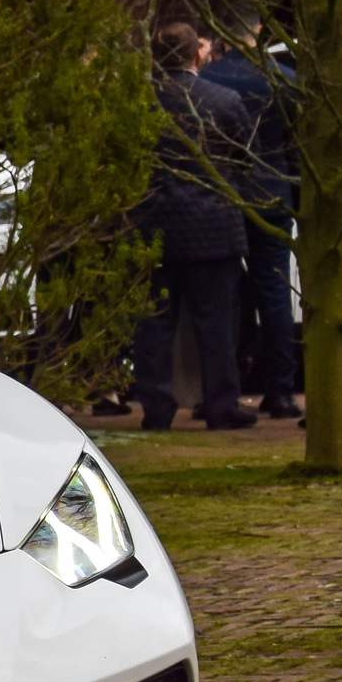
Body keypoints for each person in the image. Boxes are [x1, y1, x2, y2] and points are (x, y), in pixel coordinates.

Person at [130, 22, 257, 431]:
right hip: (213, 225)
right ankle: (221, 405)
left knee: (154, 325)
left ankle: (157, 406)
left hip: (154, 226)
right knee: (217, 325)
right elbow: (243, 160)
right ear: (197, 55)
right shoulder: (223, 100)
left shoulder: (141, 103)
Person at [197, 0, 301, 417]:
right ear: (260, 33)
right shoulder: (284, 81)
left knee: (223, 299)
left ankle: (225, 391)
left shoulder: (208, 81)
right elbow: (294, 146)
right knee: (274, 292)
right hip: (272, 193)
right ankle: (280, 390)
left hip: (221, 198)